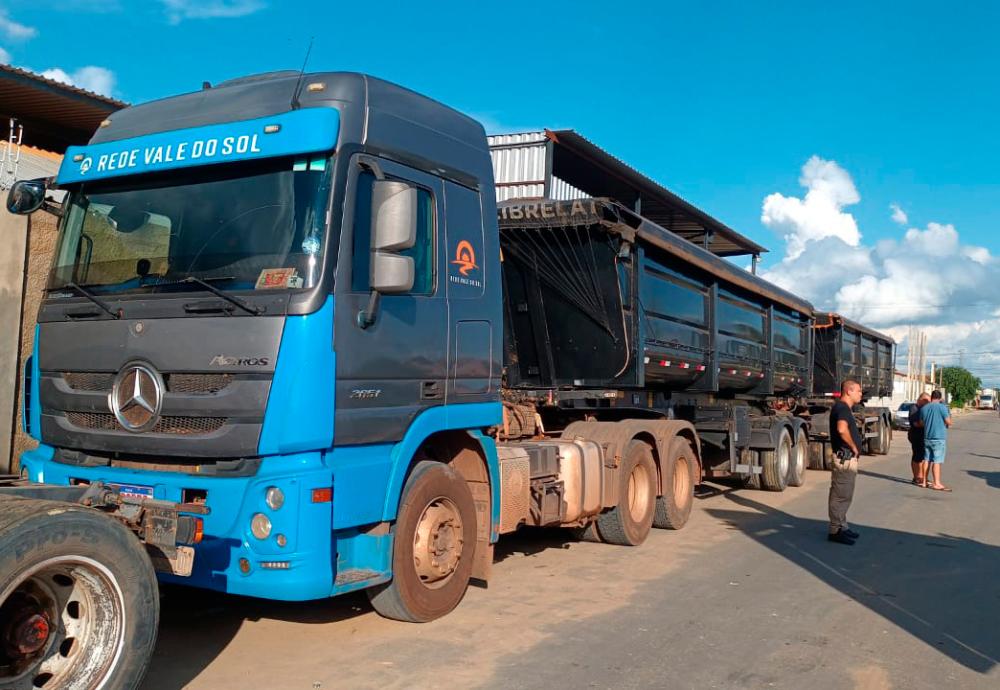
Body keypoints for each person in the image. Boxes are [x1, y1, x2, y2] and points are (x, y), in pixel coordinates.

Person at [828, 379, 864, 545]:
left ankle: (842, 525)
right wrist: (854, 447)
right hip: (845, 459)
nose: (860, 394)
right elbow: (842, 429)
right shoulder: (842, 408)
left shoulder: (844, 408)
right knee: (841, 495)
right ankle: (835, 530)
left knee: (845, 495)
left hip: (847, 458)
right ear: (848, 391)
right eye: (858, 391)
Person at [918, 390, 953, 491]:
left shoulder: (924, 408)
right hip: (939, 438)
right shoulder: (943, 407)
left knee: (927, 459)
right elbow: (948, 422)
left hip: (927, 437)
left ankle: (924, 482)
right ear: (940, 398)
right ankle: (936, 483)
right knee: (937, 461)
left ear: (932, 397)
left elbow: (921, 423)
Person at [908, 394, 931, 484]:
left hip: (924, 435)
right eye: (926, 400)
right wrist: (929, 425)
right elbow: (916, 423)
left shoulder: (925, 409)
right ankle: (917, 477)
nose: (928, 402)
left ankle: (922, 477)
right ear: (920, 400)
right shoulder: (914, 408)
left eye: (929, 401)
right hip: (916, 435)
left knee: (923, 457)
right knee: (917, 457)